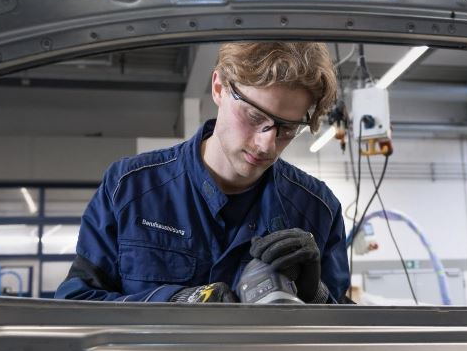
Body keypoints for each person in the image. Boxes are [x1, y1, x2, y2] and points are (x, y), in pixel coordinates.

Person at [56, 42, 350, 303]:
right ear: (219, 88)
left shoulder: (318, 209)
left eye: (287, 129)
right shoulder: (130, 188)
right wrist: (177, 301)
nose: (267, 145)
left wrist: (316, 295)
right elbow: (76, 302)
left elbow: (344, 336)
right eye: (254, 116)